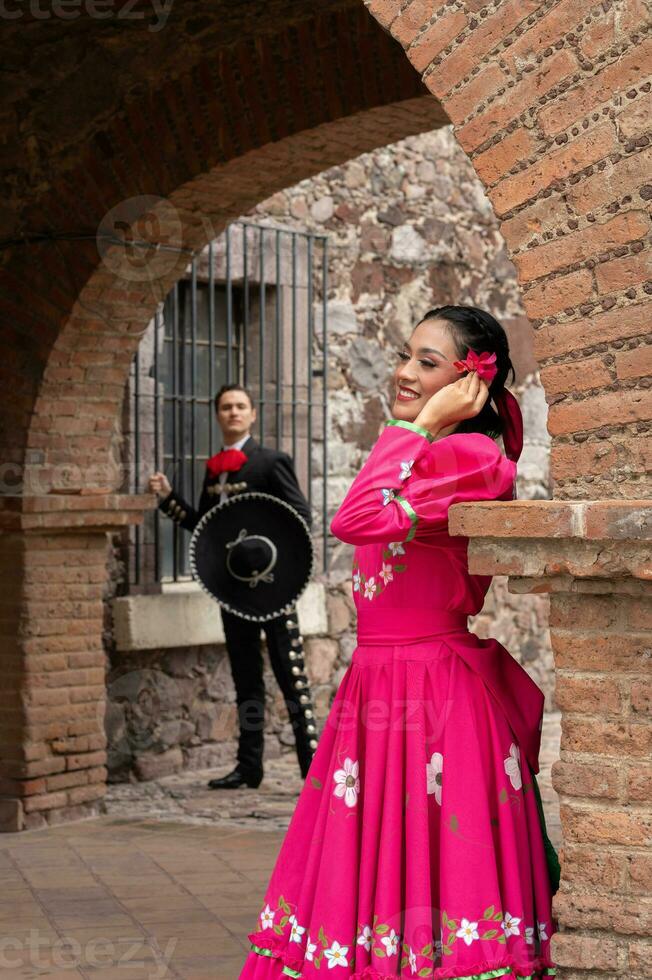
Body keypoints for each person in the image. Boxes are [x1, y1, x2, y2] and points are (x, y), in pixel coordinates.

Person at [238, 306, 557, 979]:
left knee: (438, 860)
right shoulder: (423, 451)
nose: (406, 371)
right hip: (377, 682)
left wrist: (418, 426)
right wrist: (415, 431)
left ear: (470, 383)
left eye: (428, 362)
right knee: (370, 854)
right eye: (407, 354)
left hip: (436, 689)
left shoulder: (473, 458)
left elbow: (355, 520)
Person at [149, 383, 318, 789]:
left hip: (274, 589)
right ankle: (249, 767)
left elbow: (299, 515)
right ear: (218, 414)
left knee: (291, 678)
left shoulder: (271, 460)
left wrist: (270, 554)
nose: (233, 412)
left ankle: (313, 771)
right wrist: (170, 500)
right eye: (226, 407)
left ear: (253, 414)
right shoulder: (214, 470)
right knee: (246, 681)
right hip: (235, 593)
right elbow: (206, 530)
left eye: (241, 406)